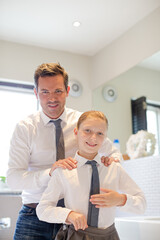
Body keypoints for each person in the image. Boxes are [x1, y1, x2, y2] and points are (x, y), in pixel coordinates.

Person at [7, 63, 122, 240]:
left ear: (67, 91)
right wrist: (50, 173)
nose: (52, 98)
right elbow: (14, 179)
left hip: (76, 216)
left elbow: (114, 154)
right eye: (45, 92)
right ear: (36, 93)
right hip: (34, 216)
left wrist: (110, 161)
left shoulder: (83, 123)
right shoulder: (25, 128)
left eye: (58, 91)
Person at [37, 110, 146, 240]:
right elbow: (42, 209)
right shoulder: (64, 171)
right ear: (76, 132)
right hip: (76, 235)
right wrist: (69, 215)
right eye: (87, 130)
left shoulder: (113, 168)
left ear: (105, 138)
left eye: (100, 133)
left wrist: (121, 199)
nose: (93, 138)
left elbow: (142, 205)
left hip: (109, 236)